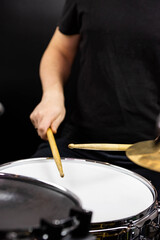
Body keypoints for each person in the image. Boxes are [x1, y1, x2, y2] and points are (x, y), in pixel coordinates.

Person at [30, 0, 160, 198]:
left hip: (153, 156)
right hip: (77, 145)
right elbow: (60, 50)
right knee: (23, 199)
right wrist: (52, 94)